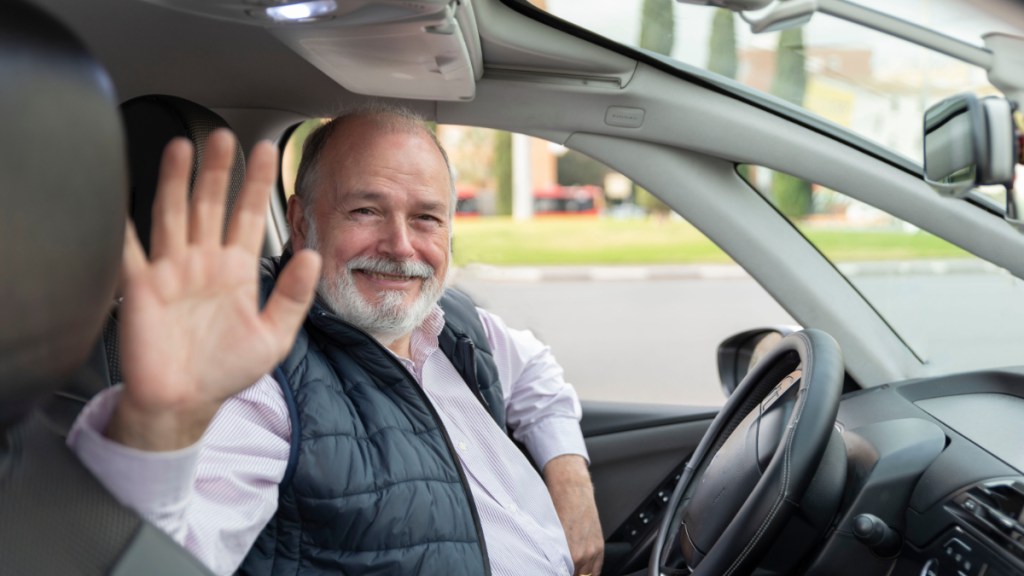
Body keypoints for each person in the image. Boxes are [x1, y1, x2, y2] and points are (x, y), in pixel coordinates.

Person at [69, 105, 604, 576]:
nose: (400, 246)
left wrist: (571, 482)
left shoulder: (454, 321)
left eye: (426, 218)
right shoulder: (257, 373)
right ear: (301, 224)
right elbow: (164, 558)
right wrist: (159, 427)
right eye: (366, 211)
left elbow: (538, 374)